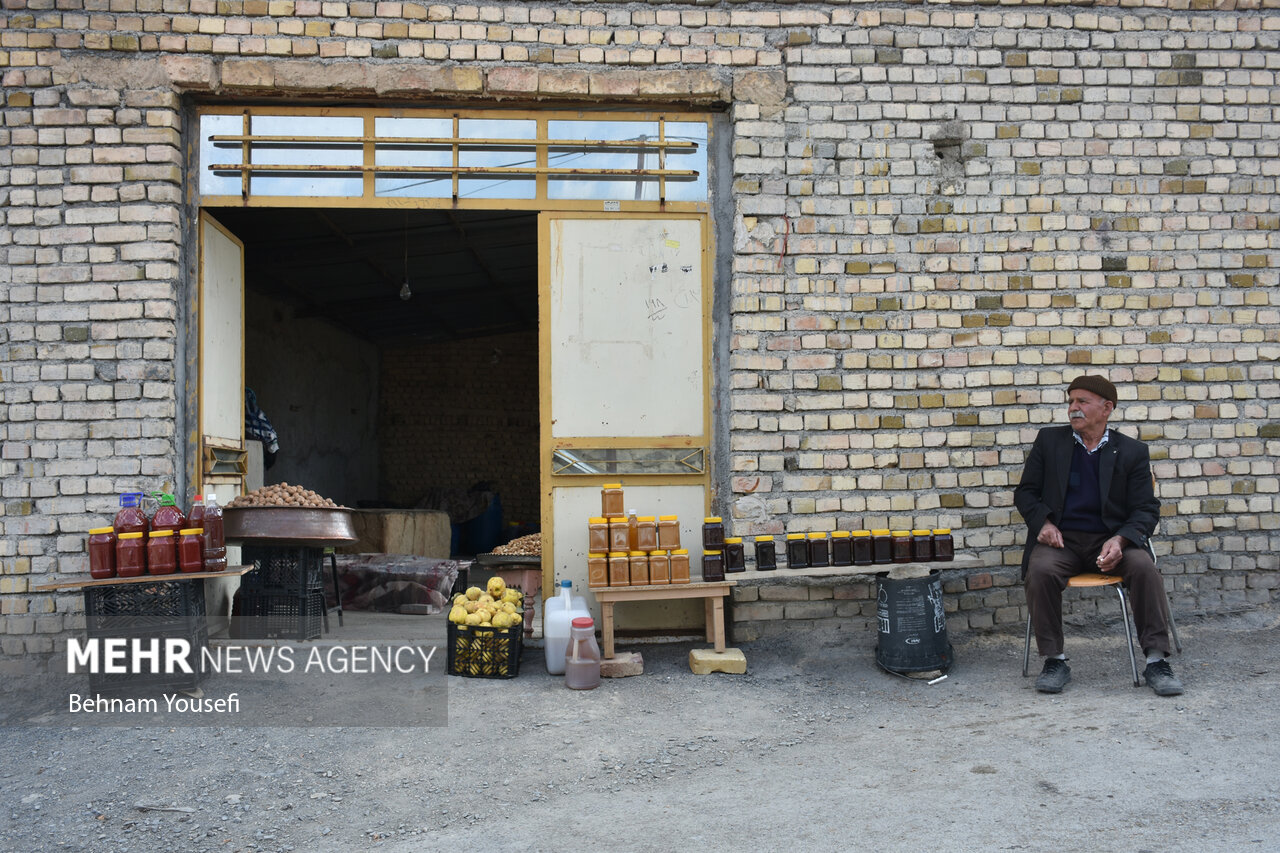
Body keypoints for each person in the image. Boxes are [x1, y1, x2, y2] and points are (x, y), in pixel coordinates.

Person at [1014, 375, 1182, 696]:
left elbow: (1146, 509)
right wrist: (1044, 525)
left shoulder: (1132, 452)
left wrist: (1121, 540)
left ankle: (1156, 661)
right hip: (1062, 541)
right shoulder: (1050, 442)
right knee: (1040, 570)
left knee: (1145, 568)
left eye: (1082, 402)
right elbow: (1026, 493)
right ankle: (1055, 660)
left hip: (1111, 541)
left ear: (1107, 408)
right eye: (1070, 401)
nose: (1072, 408)